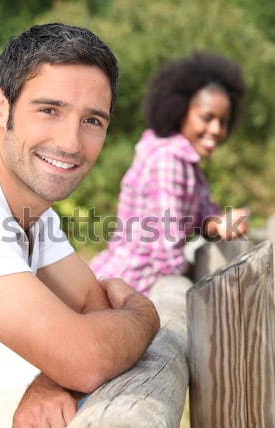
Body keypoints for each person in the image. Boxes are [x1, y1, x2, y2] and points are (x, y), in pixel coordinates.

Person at [0, 23, 160, 428]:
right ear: (1, 107)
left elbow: (90, 309)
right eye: (49, 110)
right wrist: (144, 313)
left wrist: (51, 377)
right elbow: (85, 356)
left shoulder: (30, 208)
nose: (71, 142)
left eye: (92, 120)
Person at [90, 51, 249, 296]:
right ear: (180, 110)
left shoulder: (188, 165)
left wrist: (220, 223)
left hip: (140, 284)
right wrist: (196, 276)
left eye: (224, 121)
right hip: (132, 285)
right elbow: (166, 246)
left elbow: (202, 216)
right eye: (207, 118)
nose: (216, 129)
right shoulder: (168, 160)